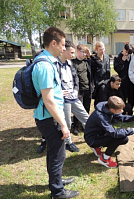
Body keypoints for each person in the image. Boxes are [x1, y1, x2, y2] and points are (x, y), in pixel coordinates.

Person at [32, 27, 79, 198]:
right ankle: (58, 193)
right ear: (54, 43)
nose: (64, 48)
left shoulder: (46, 61)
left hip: (48, 116)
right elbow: (49, 100)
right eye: (62, 45)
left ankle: (56, 180)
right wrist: (63, 124)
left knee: (54, 153)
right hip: (50, 118)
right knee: (58, 155)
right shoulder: (45, 65)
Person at [84, 96, 134, 168]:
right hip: (92, 139)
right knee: (121, 138)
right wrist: (133, 130)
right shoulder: (100, 116)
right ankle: (104, 159)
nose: (122, 111)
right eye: (120, 110)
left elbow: (121, 117)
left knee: (123, 138)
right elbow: (114, 133)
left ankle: (97, 147)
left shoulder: (107, 107)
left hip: (99, 134)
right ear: (112, 109)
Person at [57, 40, 89, 152]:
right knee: (67, 122)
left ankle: (92, 134)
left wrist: (76, 89)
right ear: (63, 51)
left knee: (85, 116)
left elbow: (75, 78)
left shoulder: (70, 63)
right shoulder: (55, 64)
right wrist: (59, 92)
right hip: (63, 100)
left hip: (73, 96)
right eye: (71, 52)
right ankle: (68, 142)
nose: (73, 55)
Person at [71, 44, 94, 135]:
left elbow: (95, 61)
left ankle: (85, 125)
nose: (84, 54)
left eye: (85, 52)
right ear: (77, 51)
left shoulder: (87, 62)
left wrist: (89, 54)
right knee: (78, 108)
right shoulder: (73, 62)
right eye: (82, 52)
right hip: (78, 90)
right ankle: (75, 126)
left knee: (86, 107)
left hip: (88, 88)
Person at [114, 44, 134, 115]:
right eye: (126, 52)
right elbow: (117, 69)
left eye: (128, 53)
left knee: (131, 97)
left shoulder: (131, 57)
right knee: (122, 96)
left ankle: (130, 110)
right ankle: (122, 111)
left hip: (130, 81)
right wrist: (122, 61)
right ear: (123, 49)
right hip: (122, 81)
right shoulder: (117, 57)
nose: (126, 54)